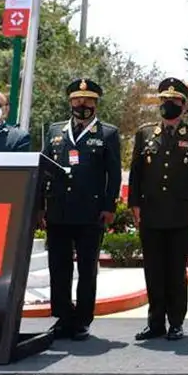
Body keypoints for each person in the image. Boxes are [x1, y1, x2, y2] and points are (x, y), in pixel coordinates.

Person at [128, 77, 188, 341]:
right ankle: (155, 323)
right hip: (151, 214)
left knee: (175, 272)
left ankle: (176, 322)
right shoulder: (145, 133)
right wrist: (134, 205)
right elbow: (136, 173)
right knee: (153, 270)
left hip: (180, 215)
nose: (168, 105)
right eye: (164, 100)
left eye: (174, 101)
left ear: (184, 105)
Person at [41, 78, 121, 341]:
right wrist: (40, 207)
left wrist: (109, 207)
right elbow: (43, 171)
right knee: (59, 267)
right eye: (77, 99)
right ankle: (63, 317)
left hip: (91, 212)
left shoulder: (107, 133)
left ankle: (82, 320)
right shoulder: (54, 130)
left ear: (96, 103)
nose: (82, 104)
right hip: (58, 211)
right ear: (70, 102)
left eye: (87, 100)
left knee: (87, 269)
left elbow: (114, 174)